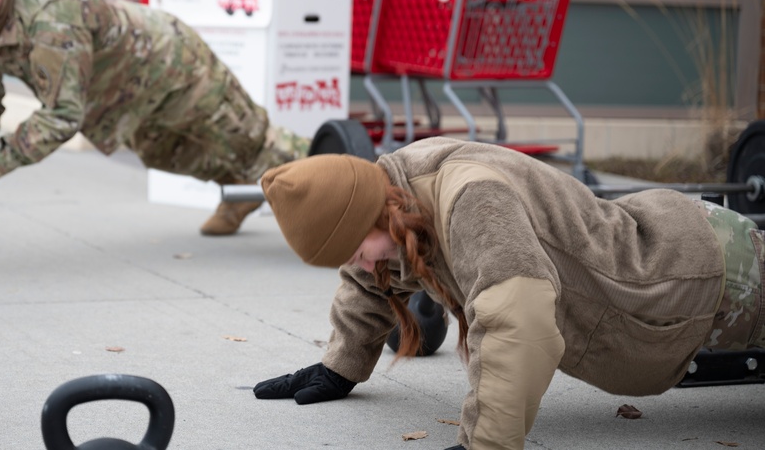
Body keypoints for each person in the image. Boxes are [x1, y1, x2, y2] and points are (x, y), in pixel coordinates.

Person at [252, 138, 764, 450]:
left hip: (699, 274)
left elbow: (519, 326)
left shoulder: (474, 201)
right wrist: (341, 364)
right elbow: (370, 276)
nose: (358, 262)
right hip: (679, 245)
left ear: (376, 209)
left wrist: (487, 445)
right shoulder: (401, 189)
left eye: (353, 246)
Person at [0, 0, 309, 234]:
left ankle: (350, 183)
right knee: (167, 154)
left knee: (253, 142)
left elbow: (60, 117)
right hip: (121, 97)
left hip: (173, 65)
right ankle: (243, 190)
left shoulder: (52, 16)